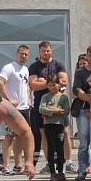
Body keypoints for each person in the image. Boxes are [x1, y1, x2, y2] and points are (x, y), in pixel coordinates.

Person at [28, 41, 69, 173]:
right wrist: (51, 83)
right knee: (44, 134)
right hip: (42, 104)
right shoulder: (34, 67)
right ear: (39, 52)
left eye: (48, 51)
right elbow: (33, 85)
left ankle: (67, 162)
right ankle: (48, 162)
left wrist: (43, 82)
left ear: (51, 51)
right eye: (43, 51)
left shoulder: (58, 64)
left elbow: (64, 81)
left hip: (59, 103)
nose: (46, 53)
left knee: (65, 133)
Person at [0, 45, 31, 176]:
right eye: (22, 54)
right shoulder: (9, 67)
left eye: (26, 54)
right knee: (9, 136)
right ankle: (6, 166)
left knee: (22, 136)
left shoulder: (26, 69)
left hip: (24, 108)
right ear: (17, 53)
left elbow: (26, 85)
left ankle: (18, 165)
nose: (23, 56)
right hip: (12, 109)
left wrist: (28, 98)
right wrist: (8, 100)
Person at [72, 45, 91, 180]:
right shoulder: (80, 72)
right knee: (84, 142)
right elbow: (76, 90)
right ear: (87, 56)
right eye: (90, 56)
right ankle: (82, 169)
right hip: (84, 109)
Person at [40, 75, 70, 181]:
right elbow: (41, 109)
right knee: (51, 148)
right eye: (50, 85)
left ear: (59, 85)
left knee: (60, 148)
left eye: (54, 85)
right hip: (49, 125)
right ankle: (52, 172)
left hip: (59, 125)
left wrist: (53, 109)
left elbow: (66, 110)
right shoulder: (45, 96)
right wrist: (55, 111)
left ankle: (61, 171)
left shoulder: (63, 97)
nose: (52, 87)